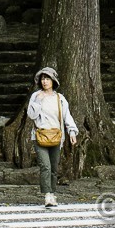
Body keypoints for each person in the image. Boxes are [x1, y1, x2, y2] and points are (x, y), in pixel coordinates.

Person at [27, 65, 79, 208]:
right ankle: (47, 195)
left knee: (54, 167)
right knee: (46, 166)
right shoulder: (35, 96)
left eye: (47, 79)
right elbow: (31, 115)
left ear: (53, 81)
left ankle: (53, 192)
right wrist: (38, 101)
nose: (45, 82)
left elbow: (67, 116)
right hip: (40, 136)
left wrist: (72, 132)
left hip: (56, 136)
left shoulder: (60, 98)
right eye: (43, 79)